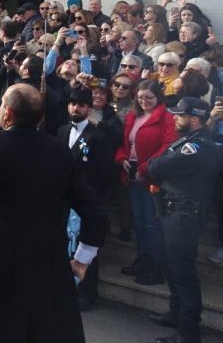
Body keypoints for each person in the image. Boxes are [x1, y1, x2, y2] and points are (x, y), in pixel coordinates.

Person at [0, 84, 109, 343]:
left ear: (8, 113)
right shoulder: (59, 151)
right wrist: (82, 259)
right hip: (39, 265)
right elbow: (95, 212)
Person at [148, 97, 222, 343]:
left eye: (180, 115)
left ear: (195, 119)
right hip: (175, 212)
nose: (175, 118)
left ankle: (188, 332)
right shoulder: (190, 141)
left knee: (182, 272)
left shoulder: (199, 147)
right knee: (173, 267)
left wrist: (155, 163)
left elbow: (157, 166)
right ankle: (176, 314)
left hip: (185, 214)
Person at [56, 88, 114, 311]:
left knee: (85, 247)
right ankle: (64, 288)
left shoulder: (98, 136)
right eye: (72, 104)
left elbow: (105, 172)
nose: (75, 108)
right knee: (63, 245)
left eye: (80, 105)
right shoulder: (61, 131)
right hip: (63, 199)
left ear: (89, 109)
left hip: (85, 200)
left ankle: (87, 293)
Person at [114, 79, 176, 285]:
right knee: (139, 221)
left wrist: (145, 167)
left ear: (158, 98)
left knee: (152, 223)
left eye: (148, 98)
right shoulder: (133, 115)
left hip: (151, 176)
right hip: (132, 174)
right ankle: (142, 259)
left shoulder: (166, 118)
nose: (144, 101)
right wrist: (122, 158)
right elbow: (126, 143)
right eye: (140, 98)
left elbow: (167, 145)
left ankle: (155, 266)